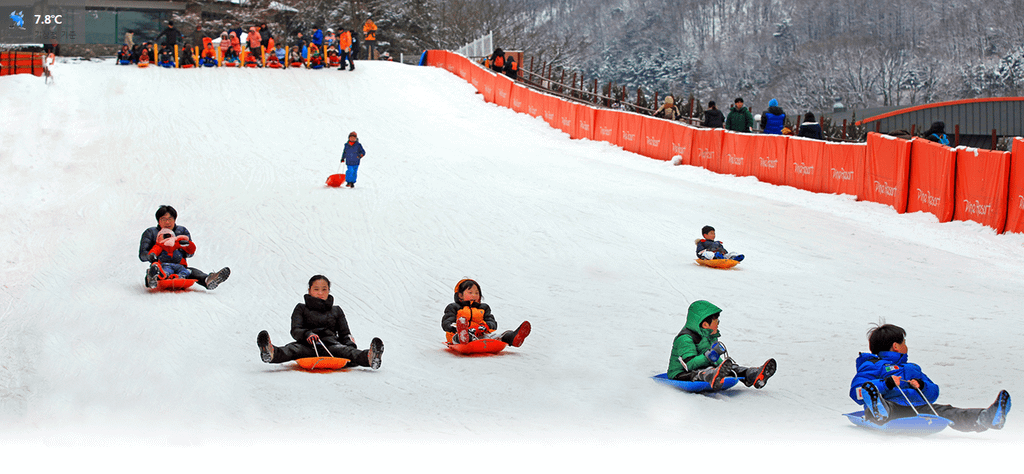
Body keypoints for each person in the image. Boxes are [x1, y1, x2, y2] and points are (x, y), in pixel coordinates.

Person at [851, 324, 1010, 432]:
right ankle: (879, 410)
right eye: (904, 342)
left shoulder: (912, 368)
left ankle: (985, 418)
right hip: (891, 407)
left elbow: (933, 393)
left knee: (945, 411)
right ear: (896, 346)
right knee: (887, 406)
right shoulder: (872, 365)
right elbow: (858, 392)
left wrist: (921, 386)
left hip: (917, 408)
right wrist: (886, 384)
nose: (907, 346)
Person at [256, 275, 384, 370]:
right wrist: (307, 335)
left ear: (329, 291)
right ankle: (270, 352)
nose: (320, 293)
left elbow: (345, 333)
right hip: (306, 345)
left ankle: (371, 357)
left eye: (324, 289)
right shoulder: (301, 308)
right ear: (309, 290)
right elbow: (295, 329)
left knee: (348, 352)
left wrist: (349, 346)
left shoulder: (336, 310)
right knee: (291, 350)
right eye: (316, 289)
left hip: (331, 345)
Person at [667, 300, 776, 389]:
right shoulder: (684, 339)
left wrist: (725, 366)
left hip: (705, 367)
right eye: (716, 322)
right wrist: (709, 355)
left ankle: (751, 374)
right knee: (698, 372)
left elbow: (714, 359)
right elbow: (689, 365)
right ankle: (711, 375)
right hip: (681, 374)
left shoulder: (709, 336)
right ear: (705, 324)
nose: (718, 324)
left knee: (727, 368)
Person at [138, 205, 230, 290]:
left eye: (170, 219)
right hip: (160, 265)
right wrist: (152, 256)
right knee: (159, 271)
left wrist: (185, 245)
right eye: (163, 219)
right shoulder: (151, 232)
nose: (167, 222)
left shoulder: (181, 231)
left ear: (174, 220)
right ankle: (152, 277)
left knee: (191, 271)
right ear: (158, 221)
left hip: (179, 266)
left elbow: (190, 253)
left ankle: (208, 279)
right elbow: (142, 255)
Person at [441, 279, 531, 347]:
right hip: (458, 334)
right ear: (460, 295)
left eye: (477, 293)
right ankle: (464, 336)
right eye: (470, 292)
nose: (474, 295)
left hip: (480, 335)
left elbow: (492, 322)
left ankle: (512, 338)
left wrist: (485, 326)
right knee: (458, 337)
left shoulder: (483, 308)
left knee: (495, 336)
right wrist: (456, 328)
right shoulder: (454, 307)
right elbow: (447, 322)